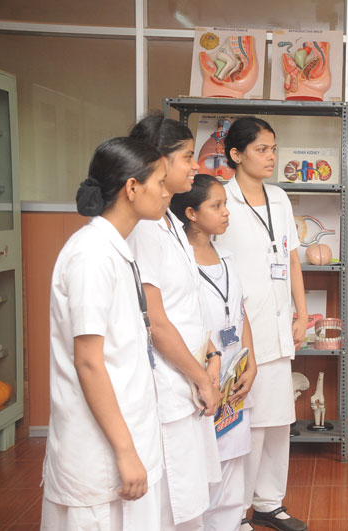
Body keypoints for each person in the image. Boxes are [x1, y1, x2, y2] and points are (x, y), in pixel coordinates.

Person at [42, 137, 167, 529]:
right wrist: (126, 451)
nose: (167, 192)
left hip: (127, 434)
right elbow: (89, 362)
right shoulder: (91, 255)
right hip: (99, 453)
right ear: (132, 188)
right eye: (161, 182)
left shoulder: (117, 249)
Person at [127, 114, 222, 530]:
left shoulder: (170, 222)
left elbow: (189, 304)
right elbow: (156, 320)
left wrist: (212, 355)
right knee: (173, 506)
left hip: (190, 375)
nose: (194, 165)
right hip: (169, 384)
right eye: (187, 156)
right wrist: (201, 378)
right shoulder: (145, 227)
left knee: (191, 502)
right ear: (158, 163)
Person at [214, 116, 308, 531]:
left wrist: (302, 313)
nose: (271, 157)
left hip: (278, 322)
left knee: (278, 422)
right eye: (261, 149)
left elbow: (290, 258)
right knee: (245, 426)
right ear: (236, 155)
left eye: (273, 148)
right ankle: (234, 513)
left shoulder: (280, 198)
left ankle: (269, 503)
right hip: (240, 329)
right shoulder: (220, 201)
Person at [171, 174, 258, 530]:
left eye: (226, 205)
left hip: (235, 374)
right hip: (201, 375)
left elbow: (239, 311)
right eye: (216, 206)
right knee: (204, 465)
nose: (226, 213)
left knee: (234, 460)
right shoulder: (179, 260)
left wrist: (251, 362)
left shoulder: (225, 254)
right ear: (191, 212)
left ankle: (231, 522)